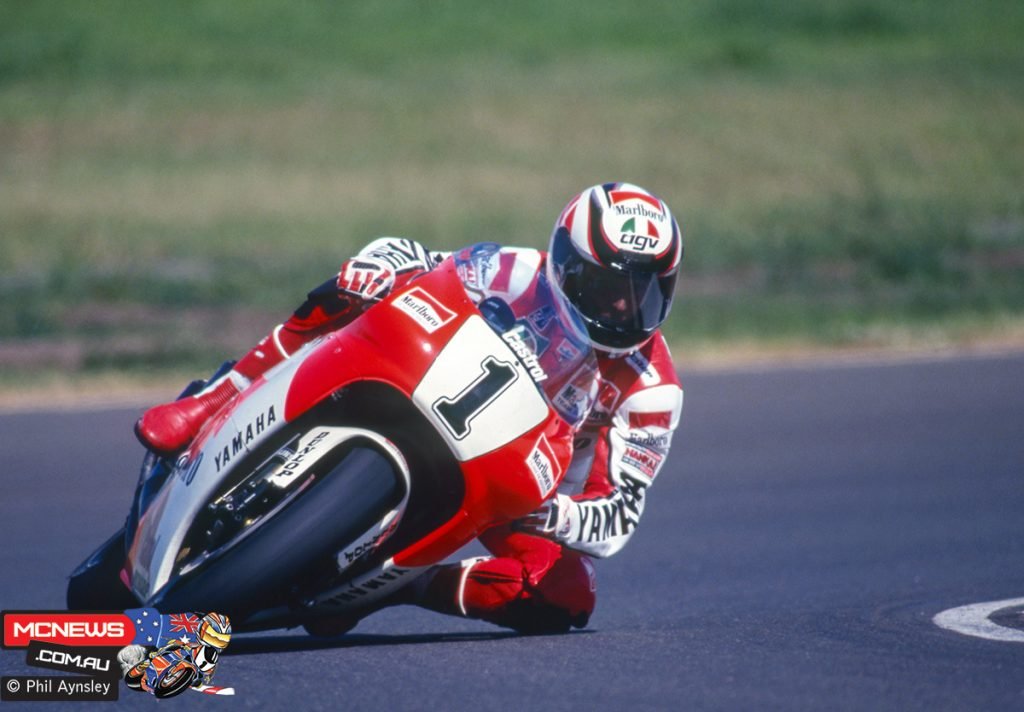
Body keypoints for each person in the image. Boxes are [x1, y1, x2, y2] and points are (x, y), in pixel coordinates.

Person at [135, 182, 684, 635]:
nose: (622, 306)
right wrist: (383, 263)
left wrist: (550, 514)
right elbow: (428, 262)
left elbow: (618, 518)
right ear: (568, 265)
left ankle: (402, 586)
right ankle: (220, 395)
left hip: (517, 488)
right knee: (352, 288)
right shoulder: (521, 272)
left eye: (643, 291)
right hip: (429, 381)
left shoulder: (652, 389)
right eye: (608, 284)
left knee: (568, 596)